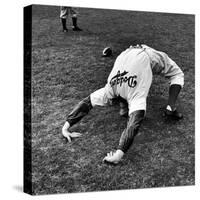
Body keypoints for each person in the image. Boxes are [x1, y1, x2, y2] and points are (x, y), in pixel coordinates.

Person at [62, 44, 184, 164]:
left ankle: (166, 107)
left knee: (175, 72)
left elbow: (88, 102)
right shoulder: (117, 91)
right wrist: (118, 154)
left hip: (142, 55)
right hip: (129, 55)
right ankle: (170, 107)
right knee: (178, 75)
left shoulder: (110, 89)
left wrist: (66, 127)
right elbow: (133, 123)